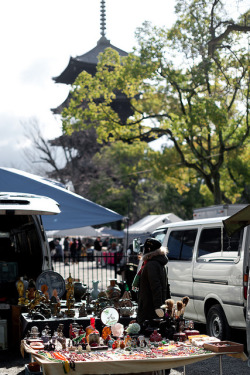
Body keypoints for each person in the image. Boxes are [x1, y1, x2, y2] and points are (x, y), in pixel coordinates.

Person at [135, 237, 171, 325]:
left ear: (148, 249)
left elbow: (156, 286)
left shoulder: (151, 264)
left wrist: (158, 306)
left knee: (150, 332)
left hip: (149, 307)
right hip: (154, 305)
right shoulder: (157, 263)